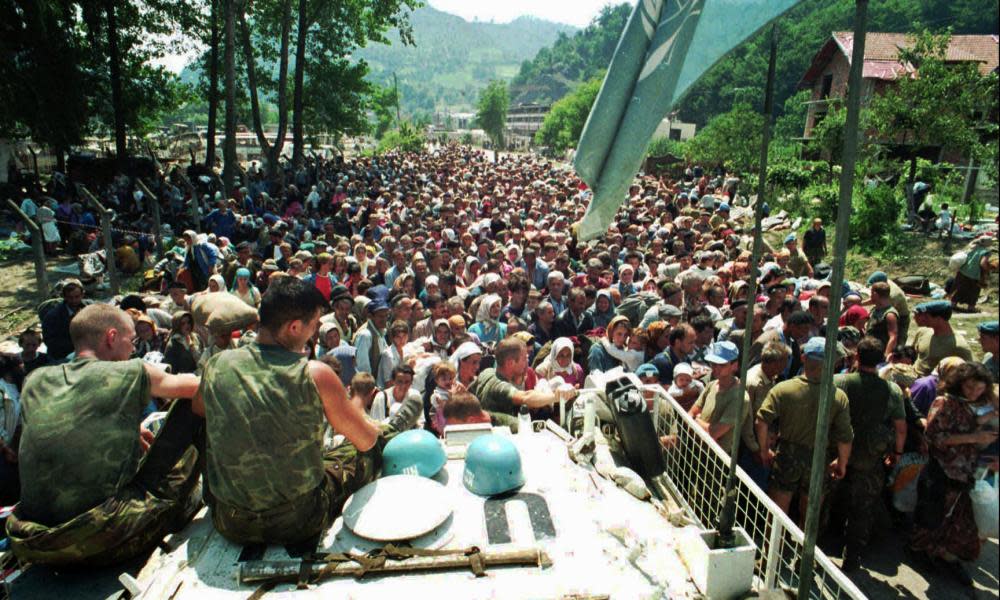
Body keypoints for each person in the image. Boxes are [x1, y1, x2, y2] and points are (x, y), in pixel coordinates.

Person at [6, 304, 202, 565]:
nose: (133, 348)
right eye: (129, 340)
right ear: (111, 337)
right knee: (195, 406)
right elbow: (201, 386)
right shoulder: (131, 371)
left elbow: (69, 419)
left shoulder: (35, 380)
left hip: (34, 540)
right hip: (98, 538)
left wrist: (129, 428)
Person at [198, 277, 387, 546]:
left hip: (230, 521)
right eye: (314, 326)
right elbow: (365, 439)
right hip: (299, 521)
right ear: (295, 327)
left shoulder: (217, 364)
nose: (315, 333)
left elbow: (198, 409)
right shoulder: (314, 373)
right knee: (369, 450)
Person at [908, 362, 998, 586]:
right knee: (932, 515)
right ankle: (918, 551)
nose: (974, 392)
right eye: (969, 387)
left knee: (956, 518)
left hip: (966, 472)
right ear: (959, 384)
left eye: (979, 388)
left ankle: (943, 554)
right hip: (942, 469)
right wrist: (973, 438)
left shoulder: (976, 405)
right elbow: (933, 437)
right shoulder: (944, 402)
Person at [755, 338, 854, 524]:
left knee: (778, 510)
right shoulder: (837, 397)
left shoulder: (783, 389)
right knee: (810, 513)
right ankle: (802, 550)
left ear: (803, 358)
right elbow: (845, 437)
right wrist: (842, 462)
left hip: (787, 454)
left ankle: (771, 549)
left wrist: (763, 450)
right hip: (818, 457)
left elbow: (761, 420)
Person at [830, 337, 907, 572]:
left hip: (836, 451)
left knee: (825, 499)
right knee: (862, 508)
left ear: (857, 357)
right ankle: (852, 557)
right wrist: (897, 452)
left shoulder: (840, 382)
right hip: (870, 456)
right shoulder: (891, 390)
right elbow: (900, 427)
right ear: (881, 360)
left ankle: (816, 547)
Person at [470, 337, 577, 417]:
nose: (528, 361)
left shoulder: (487, 372)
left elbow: (467, 393)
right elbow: (525, 397)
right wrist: (557, 397)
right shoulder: (499, 386)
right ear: (511, 363)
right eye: (524, 358)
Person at [739, 341, 790, 490]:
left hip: (764, 443)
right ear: (775, 363)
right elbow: (746, 420)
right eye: (785, 361)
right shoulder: (753, 383)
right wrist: (756, 449)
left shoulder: (771, 377)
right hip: (751, 447)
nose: (787, 365)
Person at [689, 342, 746, 453]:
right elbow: (690, 413)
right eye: (713, 364)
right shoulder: (712, 385)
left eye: (722, 365)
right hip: (696, 450)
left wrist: (696, 419)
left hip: (718, 459)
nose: (716, 368)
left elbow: (714, 432)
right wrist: (697, 420)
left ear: (734, 365)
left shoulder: (740, 397)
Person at [910, 301, 973, 377]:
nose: (923, 319)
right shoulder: (922, 332)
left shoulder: (959, 345)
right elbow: (912, 354)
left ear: (939, 319)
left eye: (927, 317)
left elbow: (968, 372)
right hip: (912, 376)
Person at [41, 279, 87, 362]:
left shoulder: (89, 308)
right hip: (62, 356)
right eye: (70, 298)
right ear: (64, 296)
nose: (74, 301)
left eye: (77, 297)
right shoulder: (53, 317)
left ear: (82, 294)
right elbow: (51, 342)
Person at [951, 236, 995, 313]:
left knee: (959, 288)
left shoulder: (973, 247)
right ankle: (971, 308)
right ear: (988, 243)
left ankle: (953, 304)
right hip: (974, 274)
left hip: (963, 270)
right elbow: (983, 263)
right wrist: (988, 269)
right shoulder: (986, 252)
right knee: (974, 291)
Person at [866, 281, 899, 360]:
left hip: (878, 353)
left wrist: (886, 355)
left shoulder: (889, 315)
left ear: (875, 295)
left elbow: (893, 337)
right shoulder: (875, 309)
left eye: (871, 294)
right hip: (869, 349)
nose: (870, 297)